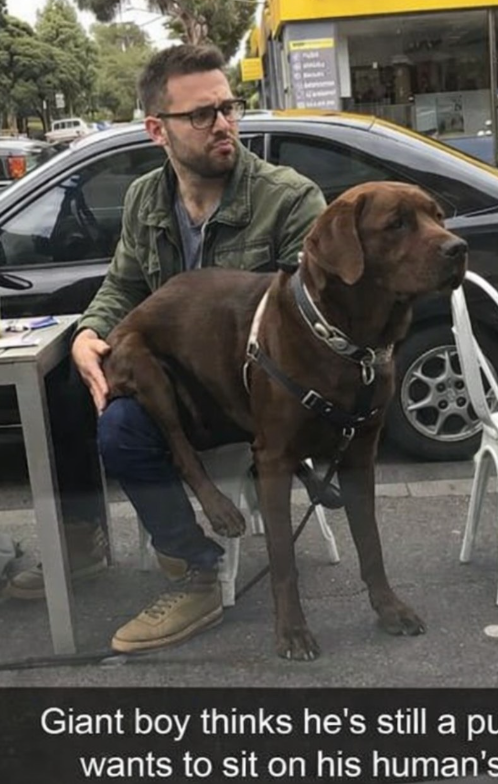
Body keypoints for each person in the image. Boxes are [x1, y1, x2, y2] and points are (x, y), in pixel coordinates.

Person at [6, 44, 327, 653]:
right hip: (176, 382)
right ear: (158, 129)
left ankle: (198, 573)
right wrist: (90, 334)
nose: (224, 124)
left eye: (227, 107)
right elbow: (124, 285)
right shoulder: (145, 201)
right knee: (67, 383)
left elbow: (312, 321)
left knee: (123, 428)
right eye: (202, 115)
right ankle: (84, 540)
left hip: (253, 393)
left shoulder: (287, 198)